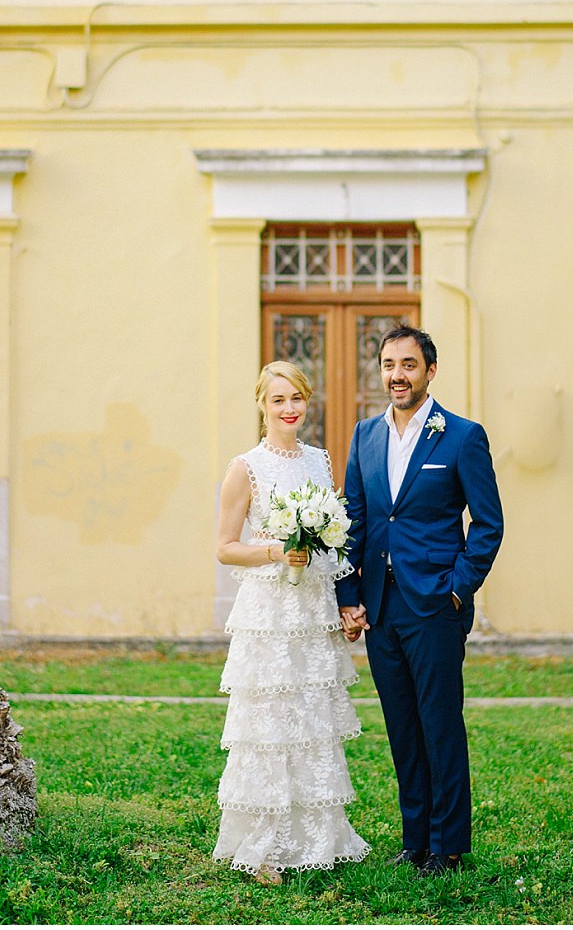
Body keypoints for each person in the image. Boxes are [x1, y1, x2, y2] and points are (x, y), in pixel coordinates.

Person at [336, 326, 504, 877]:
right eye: (388, 364)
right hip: (381, 607)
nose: (396, 375)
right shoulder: (364, 436)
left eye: (408, 364)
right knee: (403, 728)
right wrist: (349, 596)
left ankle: (448, 844)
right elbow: (353, 522)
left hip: (435, 604)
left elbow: (488, 524)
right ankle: (415, 841)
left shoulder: (461, 436)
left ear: (430, 370)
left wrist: (458, 587)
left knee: (439, 725)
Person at [212, 361, 369, 884]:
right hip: (270, 613)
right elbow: (225, 548)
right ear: (262, 404)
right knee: (270, 725)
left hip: (311, 608)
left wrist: (345, 601)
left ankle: (317, 837)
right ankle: (263, 845)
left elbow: (334, 538)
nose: (289, 408)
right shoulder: (245, 467)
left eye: (297, 398)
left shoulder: (320, 462)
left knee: (311, 720)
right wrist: (278, 551)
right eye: (278, 399)